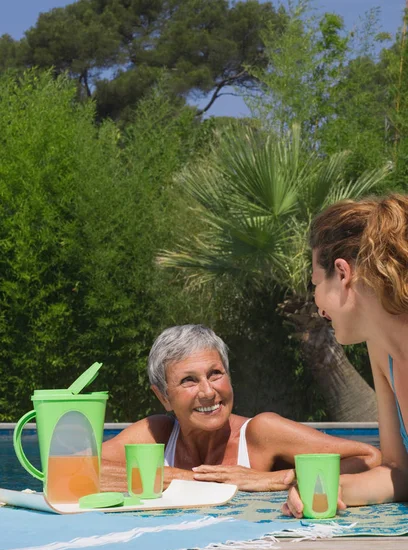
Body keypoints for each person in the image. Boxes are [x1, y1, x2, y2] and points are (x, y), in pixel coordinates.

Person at [101, 324, 380, 492]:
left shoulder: (260, 432)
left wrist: (273, 480)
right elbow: (68, 468)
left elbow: (370, 458)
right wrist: (189, 479)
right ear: (163, 397)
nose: (208, 392)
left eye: (215, 374)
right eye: (189, 380)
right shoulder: (157, 434)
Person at [284, 192, 408, 517]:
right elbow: (399, 471)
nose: (317, 304)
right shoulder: (383, 352)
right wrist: (335, 488)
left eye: (315, 283)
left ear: (342, 273)